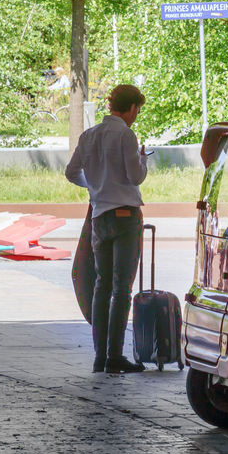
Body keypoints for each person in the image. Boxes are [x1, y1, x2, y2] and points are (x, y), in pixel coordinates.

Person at [66, 85, 150, 373]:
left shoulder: (88, 135)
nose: (137, 115)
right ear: (130, 108)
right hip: (126, 218)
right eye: (137, 110)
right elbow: (135, 176)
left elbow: (71, 172)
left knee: (101, 287)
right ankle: (116, 355)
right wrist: (144, 158)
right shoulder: (126, 135)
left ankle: (99, 356)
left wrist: (95, 186)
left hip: (99, 216)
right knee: (122, 289)